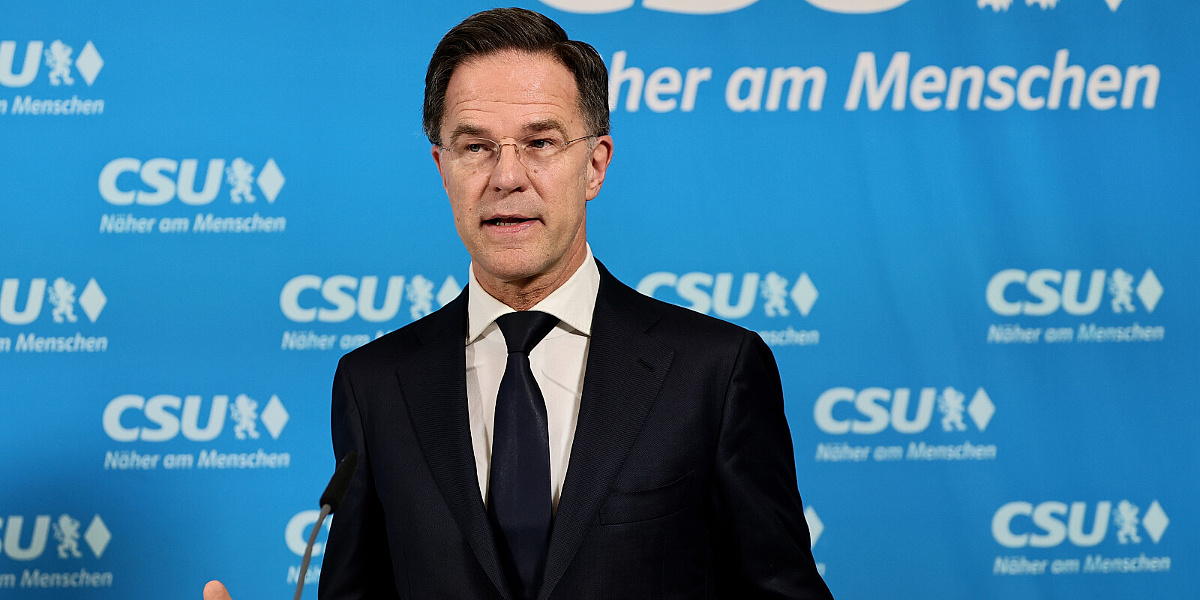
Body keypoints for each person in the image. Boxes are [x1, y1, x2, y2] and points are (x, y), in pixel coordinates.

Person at [208, 7, 832, 600]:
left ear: (595, 166)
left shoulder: (714, 372)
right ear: (442, 169)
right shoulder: (374, 385)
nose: (506, 177)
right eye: (476, 147)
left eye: (540, 142)